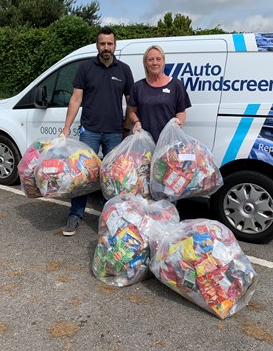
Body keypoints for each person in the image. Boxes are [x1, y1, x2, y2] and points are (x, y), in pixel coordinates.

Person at [61, 26, 134, 236]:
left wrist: (128, 129)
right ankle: (75, 215)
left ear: (115, 46)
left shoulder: (124, 70)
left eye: (110, 44)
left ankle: (115, 219)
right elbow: (76, 99)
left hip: (114, 133)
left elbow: (131, 103)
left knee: (114, 178)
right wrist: (66, 128)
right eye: (102, 43)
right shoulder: (85, 68)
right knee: (83, 176)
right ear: (97, 45)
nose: (106, 47)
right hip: (89, 131)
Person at [127, 45, 191, 143]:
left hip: (169, 141)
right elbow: (131, 111)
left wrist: (178, 123)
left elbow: (181, 111)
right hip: (144, 141)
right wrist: (136, 122)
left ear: (163, 62)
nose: (155, 63)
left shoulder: (176, 85)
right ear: (145, 63)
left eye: (158, 59)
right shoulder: (138, 87)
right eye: (150, 60)